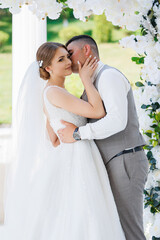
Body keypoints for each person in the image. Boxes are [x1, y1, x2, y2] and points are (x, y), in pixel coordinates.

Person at [0, 42, 126, 240]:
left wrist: (63, 129)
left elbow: (53, 138)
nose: (69, 62)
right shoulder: (55, 92)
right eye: (61, 59)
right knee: (85, 212)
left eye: (67, 56)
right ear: (48, 68)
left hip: (71, 153)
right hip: (78, 156)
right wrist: (86, 80)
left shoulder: (51, 91)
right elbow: (98, 111)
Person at [57, 35, 149, 240]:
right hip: (113, 161)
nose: (69, 60)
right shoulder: (91, 80)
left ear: (87, 50)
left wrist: (78, 135)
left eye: (71, 54)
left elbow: (117, 121)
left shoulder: (108, 77)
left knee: (130, 231)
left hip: (125, 159)